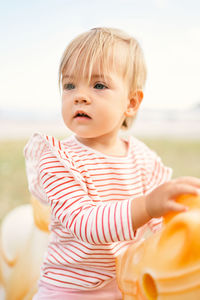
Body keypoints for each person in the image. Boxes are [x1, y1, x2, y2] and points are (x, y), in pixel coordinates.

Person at [24, 27, 200, 300]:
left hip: (126, 284)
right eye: (69, 85)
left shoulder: (143, 159)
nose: (79, 95)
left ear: (131, 102)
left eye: (98, 85)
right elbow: (84, 223)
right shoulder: (56, 158)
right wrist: (146, 206)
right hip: (68, 291)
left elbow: (163, 223)